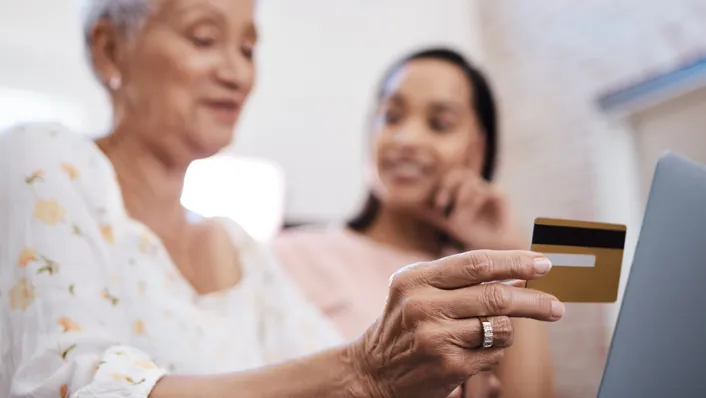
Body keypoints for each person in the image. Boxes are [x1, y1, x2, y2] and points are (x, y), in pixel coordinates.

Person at [0, 1, 565, 397]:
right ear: (108, 48)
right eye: (204, 37)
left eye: (248, 47)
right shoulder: (47, 159)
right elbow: (74, 385)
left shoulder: (236, 247)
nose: (237, 71)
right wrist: (365, 373)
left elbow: (351, 365)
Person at [275, 49, 555, 398]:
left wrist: (508, 253)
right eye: (391, 117)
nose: (406, 140)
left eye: (439, 124)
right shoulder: (286, 257)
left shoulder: (482, 281)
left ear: (477, 148)